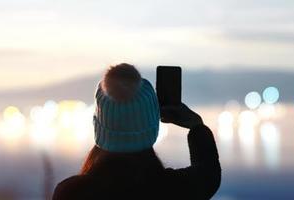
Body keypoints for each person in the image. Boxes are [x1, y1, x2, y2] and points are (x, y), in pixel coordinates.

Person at [53, 63, 221, 200]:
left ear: (98, 126)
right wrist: (197, 126)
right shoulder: (176, 190)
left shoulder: (71, 193)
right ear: (152, 127)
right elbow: (208, 175)